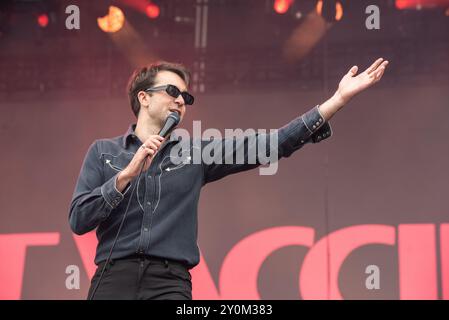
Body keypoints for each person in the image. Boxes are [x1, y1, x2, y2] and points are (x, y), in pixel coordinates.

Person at [69, 58, 389, 300]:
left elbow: (270, 144)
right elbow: (79, 219)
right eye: (172, 91)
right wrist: (125, 176)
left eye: (186, 97)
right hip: (113, 278)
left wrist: (337, 101)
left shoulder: (196, 153)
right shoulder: (103, 152)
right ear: (143, 98)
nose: (181, 100)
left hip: (169, 282)